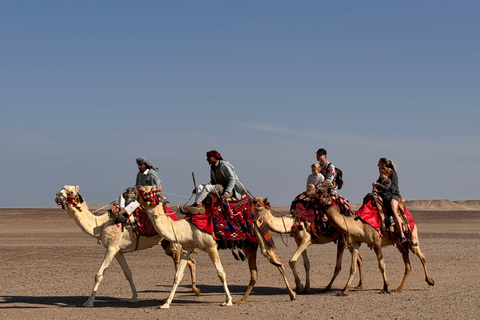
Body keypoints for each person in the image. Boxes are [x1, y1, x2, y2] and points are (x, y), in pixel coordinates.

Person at [183, 150, 246, 214]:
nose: (207, 159)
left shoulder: (224, 165)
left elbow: (232, 179)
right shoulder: (212, 167)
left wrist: (226, 193)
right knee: (199, 187)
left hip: (228, 188)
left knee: (207, 187)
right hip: (219, 187)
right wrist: (197, 189)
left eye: (209, 157)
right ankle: (199, 205)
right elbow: (213, 182)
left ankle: (196, 204)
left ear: (215, 158)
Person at [113, 157, 162, 223]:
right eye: (138, 165)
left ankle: (119, 214)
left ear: (145, 165)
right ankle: (122, 211)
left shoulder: (151, 175)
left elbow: (157, 187)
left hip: (148, 196)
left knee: (137, 203)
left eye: (140, 165)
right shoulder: (139, 174)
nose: (139, 167)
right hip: (138, 193)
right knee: (123, 194)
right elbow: (137, 185)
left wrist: (149, 192)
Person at [377, 157, 407, 242]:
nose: (377, 165)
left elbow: (393, 187)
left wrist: (383, 191)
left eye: (379, 163)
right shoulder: (382, 174)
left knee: (393, 210)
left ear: (383, 164)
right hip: (384, 195)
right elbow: (379, 183)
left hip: (393, 195)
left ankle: (402, 235)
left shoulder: (392, 173)